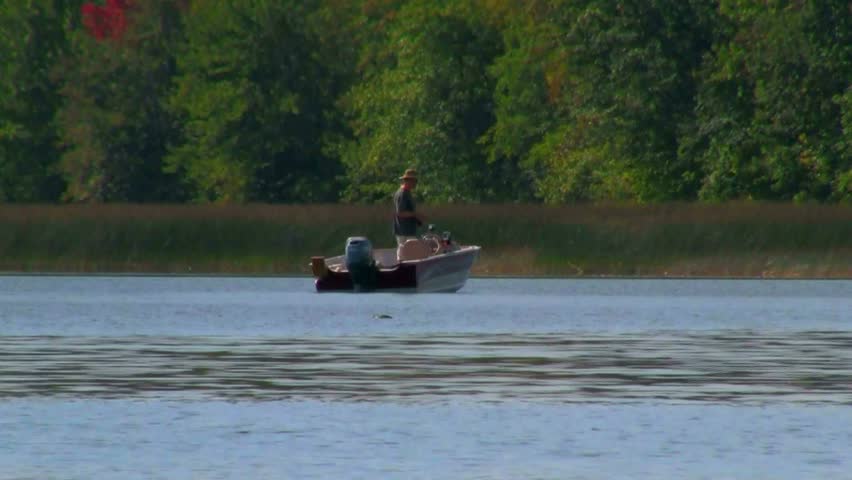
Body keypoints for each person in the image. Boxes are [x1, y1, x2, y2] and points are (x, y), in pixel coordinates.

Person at [393, 168, 425, 260]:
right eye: (414, 181)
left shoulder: (407, 193)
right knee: (404, 255)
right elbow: (400, 213)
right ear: (408, 181)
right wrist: (415, 214)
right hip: (403, 231)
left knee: (410, 254)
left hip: (408, 230)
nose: (416, 183)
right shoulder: (402, 194)